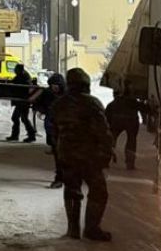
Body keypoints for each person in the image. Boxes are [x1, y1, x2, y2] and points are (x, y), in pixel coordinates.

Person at [52, 67, 114, 241]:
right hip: (89, 156)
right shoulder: (92, 103)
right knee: (99, 191)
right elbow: (103, 132)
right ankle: (92, 229)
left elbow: (54, 131)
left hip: (66, 154)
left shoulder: (59, 104)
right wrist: (106, 153)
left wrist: (59, 150)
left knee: (72, 190)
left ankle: (73, 230)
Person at [30, 72, 66, 188]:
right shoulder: (47, 94)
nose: (54, 87)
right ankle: (60, 177)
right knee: (58, 154)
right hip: (53, 129)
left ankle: (63, 177)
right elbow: (35, 101)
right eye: (52, 85)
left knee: (65, 156)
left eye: (56, 85)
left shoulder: (68, 96)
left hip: (67, 131)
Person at [105, 84, 143, 170]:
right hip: (131, 122)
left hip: (116, 122)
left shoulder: (113, 103)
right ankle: (130, 163)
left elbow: (106, 115)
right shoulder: (133, 102)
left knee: (111, 140)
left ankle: (106, 160)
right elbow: (144, 109)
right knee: (131, 141)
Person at [5, 64, 37, 143]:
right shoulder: (22, 75)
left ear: (19, 70)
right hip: (21, 101)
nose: (15, 71)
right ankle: (26, 135)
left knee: (19, 118)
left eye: (16, 69)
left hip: (23, 101)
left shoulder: (23, 77)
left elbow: (21, 87)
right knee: (21, 118)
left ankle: (29, 135)